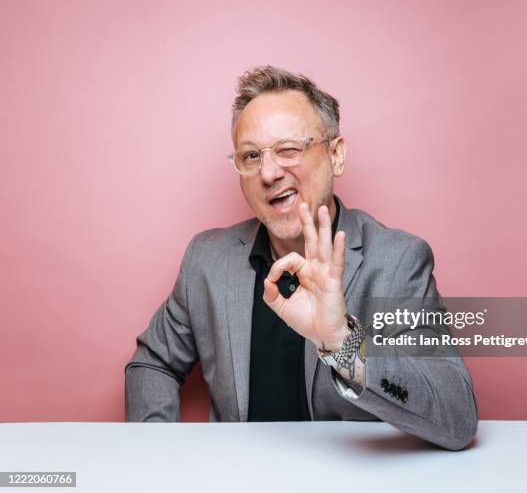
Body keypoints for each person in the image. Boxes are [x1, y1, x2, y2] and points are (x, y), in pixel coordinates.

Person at [124, 65, 478, 450]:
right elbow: (152, 363)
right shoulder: (206, 261)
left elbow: (456, 417)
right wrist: (158, 455)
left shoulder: (398, 262)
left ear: (336, 155)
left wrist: (341, 341)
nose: (269, 171)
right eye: (251, 155)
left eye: (288, 149)